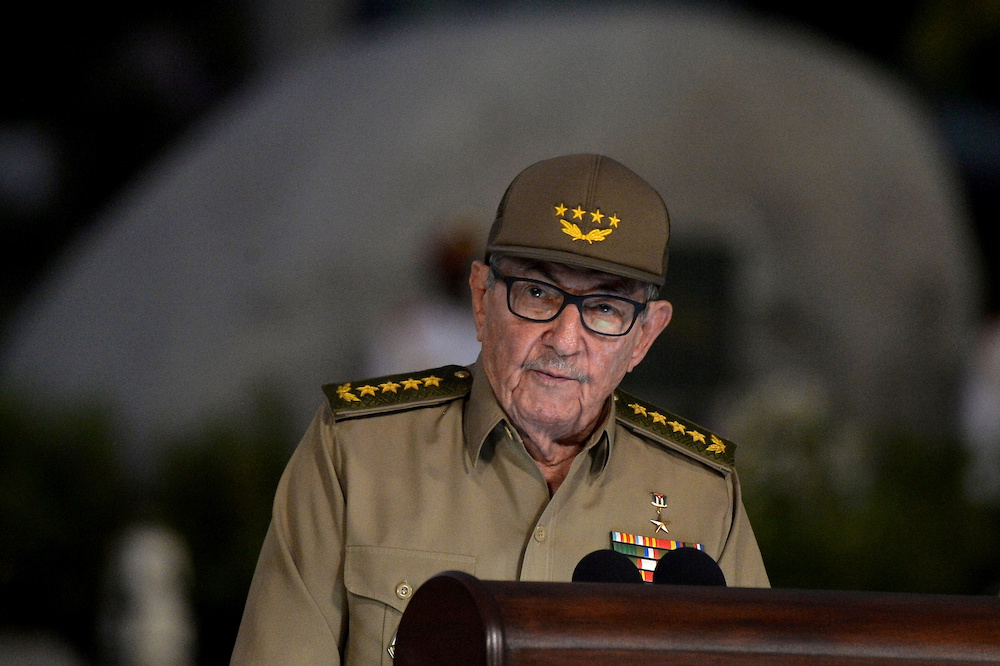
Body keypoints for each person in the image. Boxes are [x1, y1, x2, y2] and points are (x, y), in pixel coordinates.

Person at [232, 154, 769, 664]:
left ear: (645, 336)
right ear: (481, 298)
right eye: (537, 294)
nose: (564, 339)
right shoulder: (357, 453)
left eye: (605, 307)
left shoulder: (703, 491)